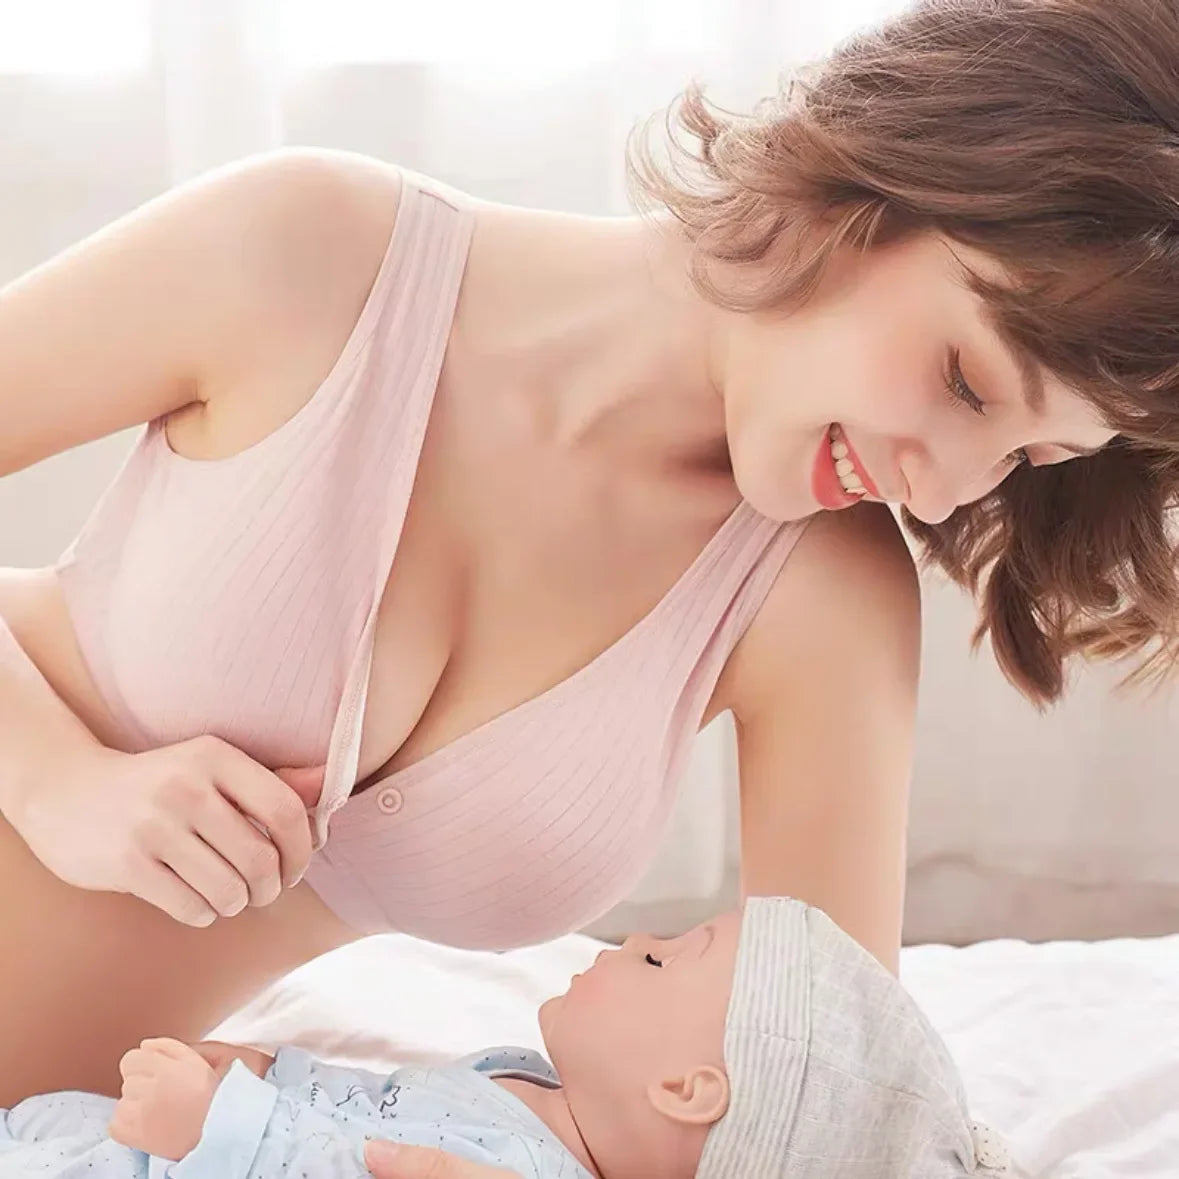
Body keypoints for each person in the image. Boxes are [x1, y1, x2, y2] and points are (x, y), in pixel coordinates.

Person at [1, 0, 1177, 1119]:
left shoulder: (823, 599)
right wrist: (59, 780)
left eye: (1029, 454)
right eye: (964, 380)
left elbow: (823, 1089)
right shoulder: (309, 253)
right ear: (873, 187)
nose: (948, 485)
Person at [0, 900, 1010, 1178]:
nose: (636, 939)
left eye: (664, 960)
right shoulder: (527, 1091)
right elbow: (363, 1107)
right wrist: (269, 1068)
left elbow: (348, 1168)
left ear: (688, 1089)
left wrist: (224, 1127)